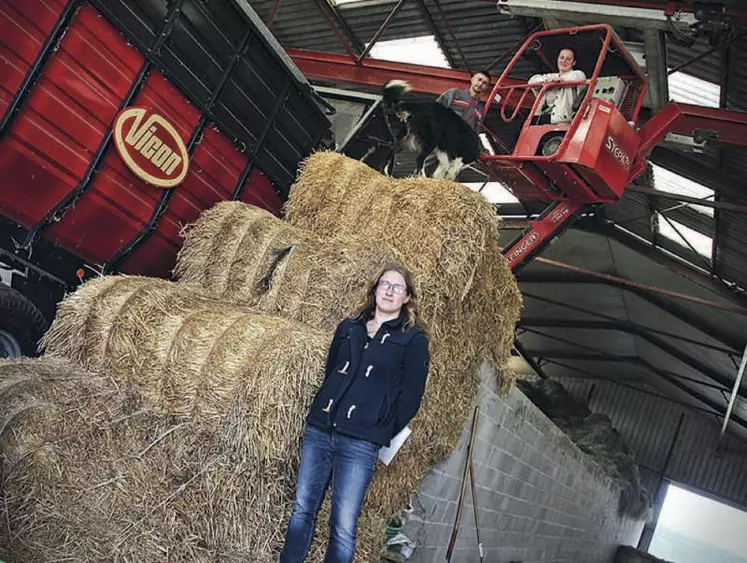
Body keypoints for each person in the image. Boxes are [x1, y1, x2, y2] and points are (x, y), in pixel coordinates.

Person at [280, 263, 430, 563]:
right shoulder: (350, 328)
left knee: (343, 526)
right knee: (302, 511)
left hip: (360, 443)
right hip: (321, 431)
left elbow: (410, 398)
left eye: (397, 287)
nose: (389, 291)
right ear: (374, 290)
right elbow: (333, 370)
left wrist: (377, 428)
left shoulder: (412, 341)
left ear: (407, 298)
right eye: (384, 284)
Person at [528, 47, 586, 125]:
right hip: (543, 117)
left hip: (562, 120)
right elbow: (532, 81)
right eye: (561, 58)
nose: (564, 61)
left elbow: (575, 78)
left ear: (574, 63)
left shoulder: (578, 74)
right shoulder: (551, 76)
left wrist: (557, 81)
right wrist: (548, 81)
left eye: (568, 59)